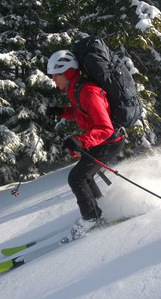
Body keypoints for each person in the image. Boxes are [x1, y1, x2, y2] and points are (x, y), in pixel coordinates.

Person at [46, 50, 125, 239]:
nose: (54, 80)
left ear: (67, 72)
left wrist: (80, 141)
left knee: (76, 178)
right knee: (85, 176)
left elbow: (105, 128)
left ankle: (92, 219)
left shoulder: (87, 91)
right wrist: (62, 111)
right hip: (101, 140)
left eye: (56, 76)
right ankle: (98, 208)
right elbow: (82, 113)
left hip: (109, 141)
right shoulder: (77, 89)